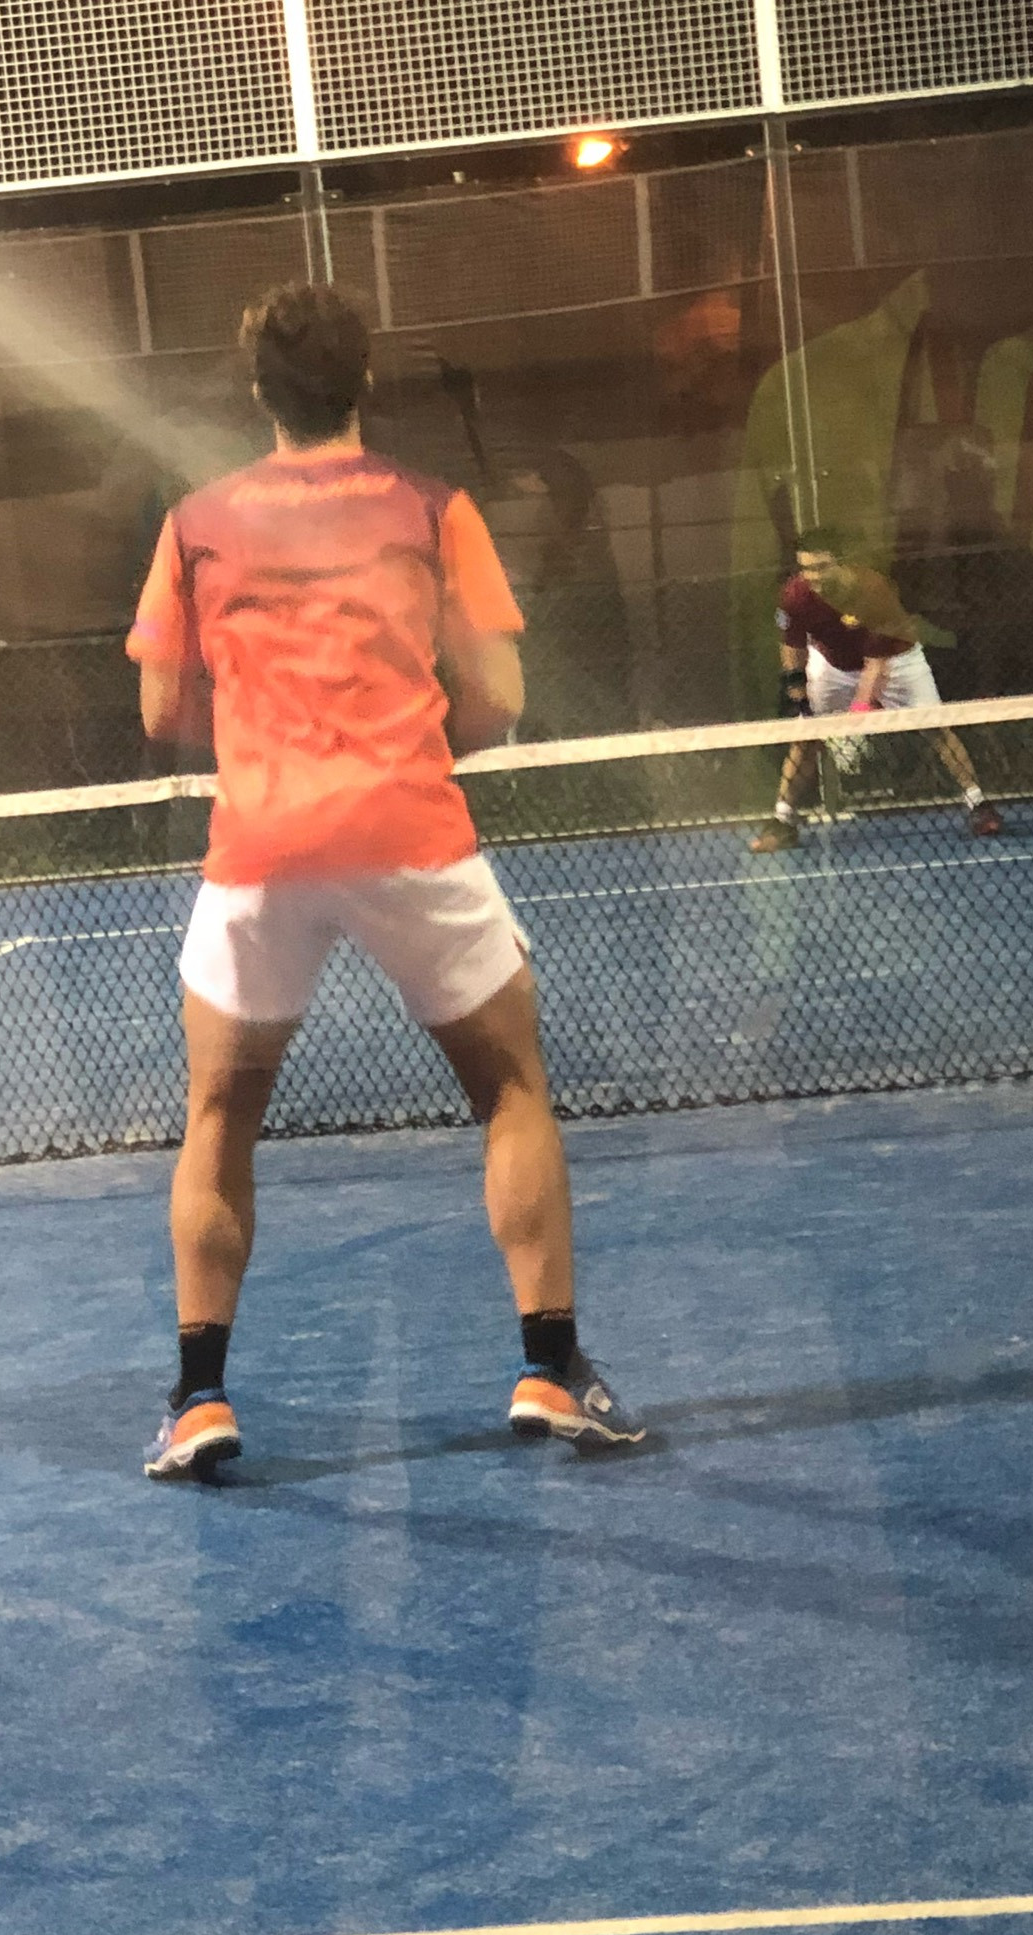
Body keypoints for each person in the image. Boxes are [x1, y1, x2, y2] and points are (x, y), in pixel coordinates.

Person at [128, 283, 644, 1480]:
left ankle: (199, 1400)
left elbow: (159, 709)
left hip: (259, 849)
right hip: (413, 834)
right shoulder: (434, 507)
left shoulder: (196, 522)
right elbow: (500, 695)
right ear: (364, 380)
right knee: (510, 1086)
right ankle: (551, 1369)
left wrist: (268, 751)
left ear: (257, 391)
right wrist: (397, 755)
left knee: (219, 1117)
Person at [750, 532, 1004, 852]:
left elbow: (877, 666)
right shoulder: (795, 595)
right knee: (805, 737)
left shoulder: (871, 589)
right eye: (807, 568)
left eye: (822, 567)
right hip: (832, 665)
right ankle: (782, 820)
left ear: (842, 563)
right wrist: (798, 694)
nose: (814, 576)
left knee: (936, 729)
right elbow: (792, 646)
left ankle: (978, 804)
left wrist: (857, 719)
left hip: (897, 660)